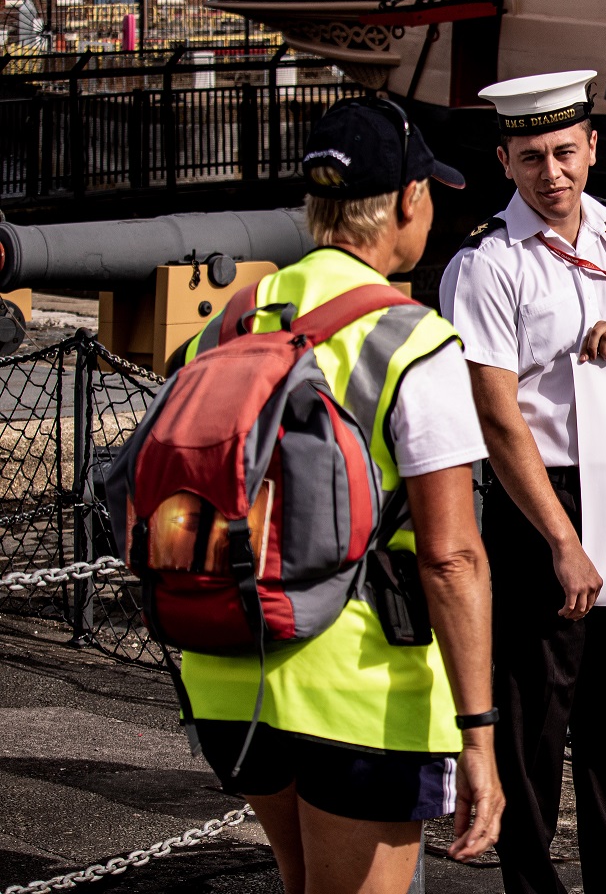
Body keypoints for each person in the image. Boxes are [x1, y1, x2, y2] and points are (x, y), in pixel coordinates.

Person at [175, 97, 504, 894]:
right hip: (361, 690)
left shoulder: (231, 322)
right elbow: (452, 557)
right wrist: (479, 733)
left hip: (230, 669)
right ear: (406, 202)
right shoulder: (413, 341)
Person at [439, 70, 606, 894]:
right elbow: (496, 417)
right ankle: (532, 881)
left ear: (592, 146)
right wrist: (562, 540)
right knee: (534, 714)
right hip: (541, 498)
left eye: (564, 152)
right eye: (530, 158)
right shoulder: (489, 264)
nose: (550, 174)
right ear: (504, 162)